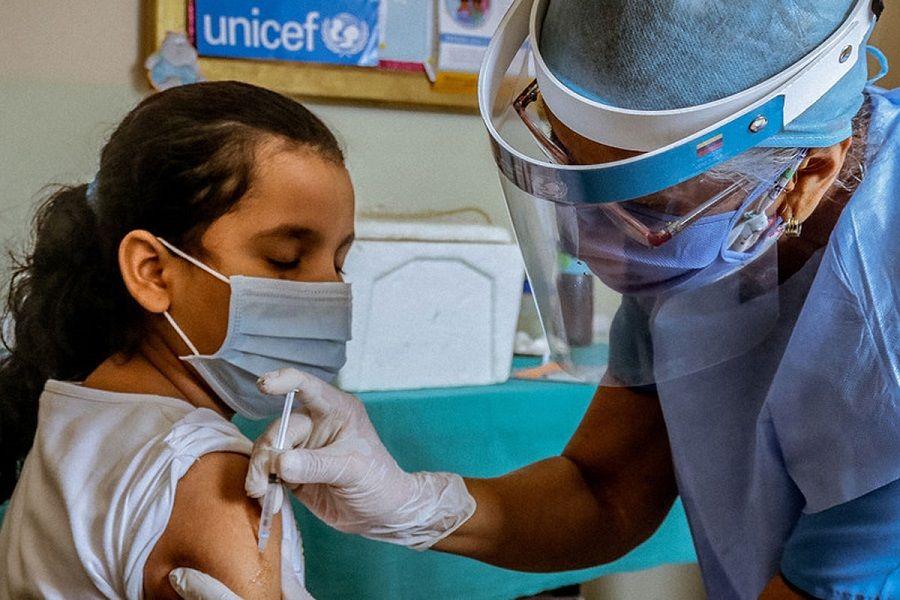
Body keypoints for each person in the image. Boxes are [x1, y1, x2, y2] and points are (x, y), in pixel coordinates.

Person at [175, 1, 898, 599]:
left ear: (808, 174)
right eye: (567, 162)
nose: (590, 240)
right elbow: (605, 490)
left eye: (642, 205)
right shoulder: (714, 235)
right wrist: (414, 503)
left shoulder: (881, 332)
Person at [0, 81, 355, 599]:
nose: (328, 291)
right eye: (285, 258)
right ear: (152, 271)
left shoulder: (74, 404)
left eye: (340, 263)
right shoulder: (213, 478)